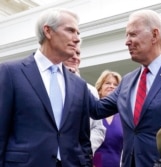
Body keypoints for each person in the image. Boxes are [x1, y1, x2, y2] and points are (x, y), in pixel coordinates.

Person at [89, 9, 161, 167]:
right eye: (126, 35)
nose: (127, 41)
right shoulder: (127, 81)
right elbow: (96, 109)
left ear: (155, 35)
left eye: (133, 34)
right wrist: (66, 74)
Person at [0, 8, 92, 167]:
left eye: (78, 32)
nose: (77, 39)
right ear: (48, 31)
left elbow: (83, 139)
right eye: (70, 30)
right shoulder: (10, 72)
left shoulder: (79, 85)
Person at [63, 47, 106, 154]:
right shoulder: (49, 85)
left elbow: (98, 128)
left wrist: (83, 151)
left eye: (78, 54)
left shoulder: (90, 90)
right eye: (70, 53)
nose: (75, 57)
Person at [93, 70, 123, 167]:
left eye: (115, 85)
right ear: (99, 89)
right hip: (94, 163)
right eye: (107, 83)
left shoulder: (123, 116)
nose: (112, 86)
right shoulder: (92, 112)